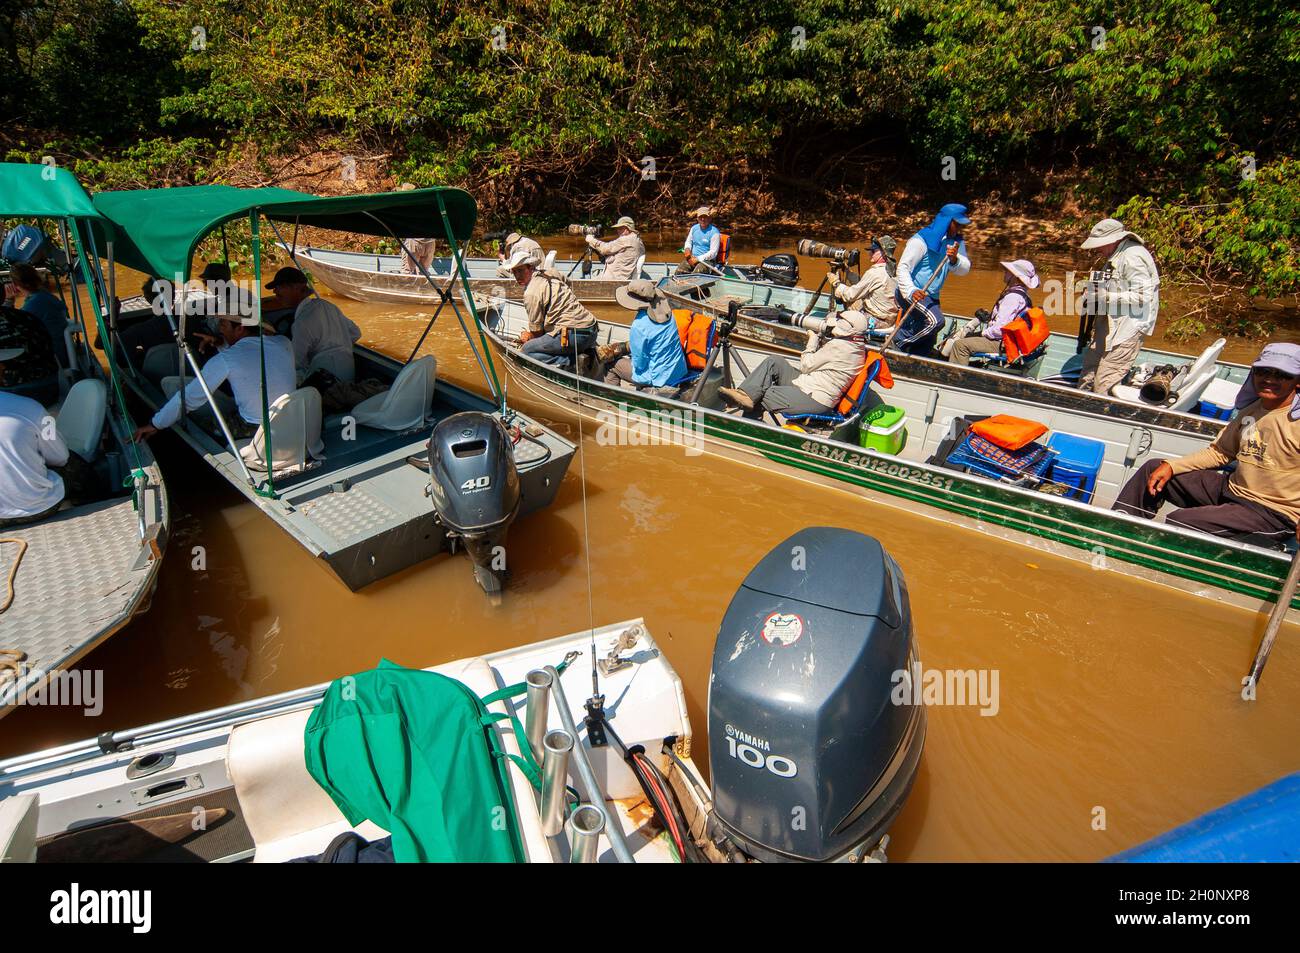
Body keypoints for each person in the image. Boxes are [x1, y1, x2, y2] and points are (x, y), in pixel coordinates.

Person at [1113, 343, 1300, 545]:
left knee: (1181, 521)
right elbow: (1220, 452)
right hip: (1233, 489)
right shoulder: (1253, 409)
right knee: (1154, 468)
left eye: (1282, 375)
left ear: (1297, 381)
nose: (1269, 379)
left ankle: (1162, 562)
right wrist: (1172, 466)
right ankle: (1116, 532)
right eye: (1263, 371)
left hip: (1271, 512)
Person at [132, 316, 295, 443]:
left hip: (256, 427)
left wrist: (155, 424)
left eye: (223, 324)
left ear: (240, 328)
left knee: (200, 426)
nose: (219, 329)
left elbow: (188, 398)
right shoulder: (283, 342)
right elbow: (250, 355)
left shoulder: (226, 359)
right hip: (290, 417)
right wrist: (220, 343)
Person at [0, 347, 100, 527]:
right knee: (76, 464)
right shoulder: (30, 408)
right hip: (39, 508)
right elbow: (61, 458)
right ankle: (98, 507)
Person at [719, 311, 870, 418]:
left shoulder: (839, 346)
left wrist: (812, 341)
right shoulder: (856, 347)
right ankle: (745, 395)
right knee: (775, 361)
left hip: (816, 398)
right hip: (811, 384)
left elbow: (805, 366)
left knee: (763, 393)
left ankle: (747, 427)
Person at [1076, 217, 1161, 395]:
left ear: (1114, 240)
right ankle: (1079, 405)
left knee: (1104, 382)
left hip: (1127, 328)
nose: (1097, 249)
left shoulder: (1133, 256)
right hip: (1110, 323)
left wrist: (1105, 296)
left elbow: (1142, 296)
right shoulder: (1116, 254)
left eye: (1100, 244)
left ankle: (1099, 415)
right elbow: (1112, 285)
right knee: (1088, 371)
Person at [893, 203, 972, 357]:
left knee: (928, 341)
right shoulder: (921, 240)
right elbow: (902, 268)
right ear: (947, 222)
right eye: (957, 224)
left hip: (932, 297)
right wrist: (911, 291)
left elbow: (964, 270)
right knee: (936, 322)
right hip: (912, 293)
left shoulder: (956, 242)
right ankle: (900, 341)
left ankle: (915, 358)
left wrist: (955, 258)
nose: (959, 229)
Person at [265, 267, 362, 384]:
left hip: (326, 382)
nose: (275, 291)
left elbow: (295, 361)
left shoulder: (302, 321)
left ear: (296, 288)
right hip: (349, 373)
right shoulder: (328, 306)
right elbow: (356, 333)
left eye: (279, 287)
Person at [507, 249, 599, 368]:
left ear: (530, 267)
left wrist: (528, 336)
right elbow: (568, 283)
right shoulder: (552, 272)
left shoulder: (531, 293)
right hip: (592, 329)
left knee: (527, 351)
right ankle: (587, 353)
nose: (517, 276)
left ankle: (573, 362)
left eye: (520, 270)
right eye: (514, 272)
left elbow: (537, 333)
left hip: (573, 337)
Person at [949, 259, 1040, 366]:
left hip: (1002, 343)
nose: (1005, 271)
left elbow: (1000, 329)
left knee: (960, 345)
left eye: (1008, 270)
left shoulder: (1012, 297)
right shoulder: (1023, 295)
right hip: (1011, 341)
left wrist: (982, 333)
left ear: (1016, 277)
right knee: (967, 338)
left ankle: (956, 378)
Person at [602, 280, 689, 391]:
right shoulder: (669, 314)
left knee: (610, 365)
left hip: (658, 379)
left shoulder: (639, 325)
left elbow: (639, 365)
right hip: (677, 371)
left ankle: (612, 400)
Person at [827, 236, 898, 328]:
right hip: (889, 318)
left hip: (877, 320)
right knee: (854, 302)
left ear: (883, 253)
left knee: (830, 317)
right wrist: (847, 271)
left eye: (873, 251)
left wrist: (836, 283)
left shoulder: (874, 273)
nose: (870, 254)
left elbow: (850, 295)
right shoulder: (892, 269)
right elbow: (865, 285)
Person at [9, 263, 70, 368]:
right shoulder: (45, 296)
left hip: (52, 357)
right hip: (63, 349)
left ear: (16, 285)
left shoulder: (33, 304)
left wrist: (8, 302)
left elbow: (15, 329)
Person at [585, 216, 645, 282]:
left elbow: (606, 248)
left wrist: (592, 240)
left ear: (627, 228)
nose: (617, 230)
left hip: (614, 279)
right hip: (623, 277)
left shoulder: (626, 240)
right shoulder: (638, 241)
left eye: (620, 228)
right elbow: (621, 254)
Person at [676, 207, 721, 275]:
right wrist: (687, 250)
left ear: (709, 218)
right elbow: (688, 242)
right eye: (700, 217)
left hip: (707, 261)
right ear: (697, 218)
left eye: (705, 217)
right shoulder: (694, 228)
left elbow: (713, 252)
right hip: (693, 258)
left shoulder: (715, 232)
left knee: (696, 274)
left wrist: (698, 259)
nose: (702, 219)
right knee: (680, 270)